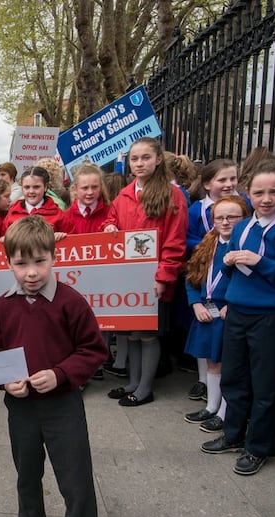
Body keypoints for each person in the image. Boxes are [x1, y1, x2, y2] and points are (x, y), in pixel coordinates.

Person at [0, 216, 107, 517]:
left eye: (39, 261)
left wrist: (59, 375)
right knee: (26, 473)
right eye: (21, 264)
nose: (31, 272)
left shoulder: (70, 301)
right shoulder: (2, 305)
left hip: (62, 406)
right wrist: (5, 382)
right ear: (8, 263)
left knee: (75, 480)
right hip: (21, 407)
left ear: (54, 258)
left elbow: (93, 351)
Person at [200, 159, 275, 476]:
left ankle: (257, 446)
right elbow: (225, 269)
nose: (266, 199)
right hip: (238, 312)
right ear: (248, 192)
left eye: (274, 192)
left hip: (270, 317)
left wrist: (261, 262)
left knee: (264, 384)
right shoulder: (244, 226)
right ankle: (233, 433)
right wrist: (229, 264)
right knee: (234, 377)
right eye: (259, 192)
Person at [106, 137, 188, 407]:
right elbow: (113, 219)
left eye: (145, 158)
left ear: (158, 159)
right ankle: (132, 382)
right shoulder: (125, 194)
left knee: (148, 334)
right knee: (131, 333)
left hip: (154, 277)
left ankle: (144, 388)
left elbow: (175, 241)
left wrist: (164, 276)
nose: (139, 163)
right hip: (128, 276)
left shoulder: (172, 194)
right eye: (134, 158)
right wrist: (109, 226)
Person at [182, 197, 248, 428]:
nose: (225, 222)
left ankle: (223, 412)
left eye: (232, 217)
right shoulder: (207, 244)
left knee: (227, 364)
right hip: (206, 311)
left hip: (228, 312)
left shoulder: (245, 245)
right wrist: (195, 304)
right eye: (220, 217)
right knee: (211, 362)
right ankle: (211, 406)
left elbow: (248, 282)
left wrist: (234, 304)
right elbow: (191, 278)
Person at [2, 166, 74, 238]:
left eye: (36, 187)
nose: (31, 191)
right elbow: (1, 239)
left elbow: (73, 240)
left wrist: (63, 237)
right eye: (27, 187)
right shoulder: (12, 213)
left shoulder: (59, 215)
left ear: (45, 187)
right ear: (22, 188)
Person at [66, 163, 119, 234]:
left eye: (94, 187)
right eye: (85, 188)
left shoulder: (111, 213)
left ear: (101, 187)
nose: (90, 192)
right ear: (75, 189)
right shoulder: (65, 217)